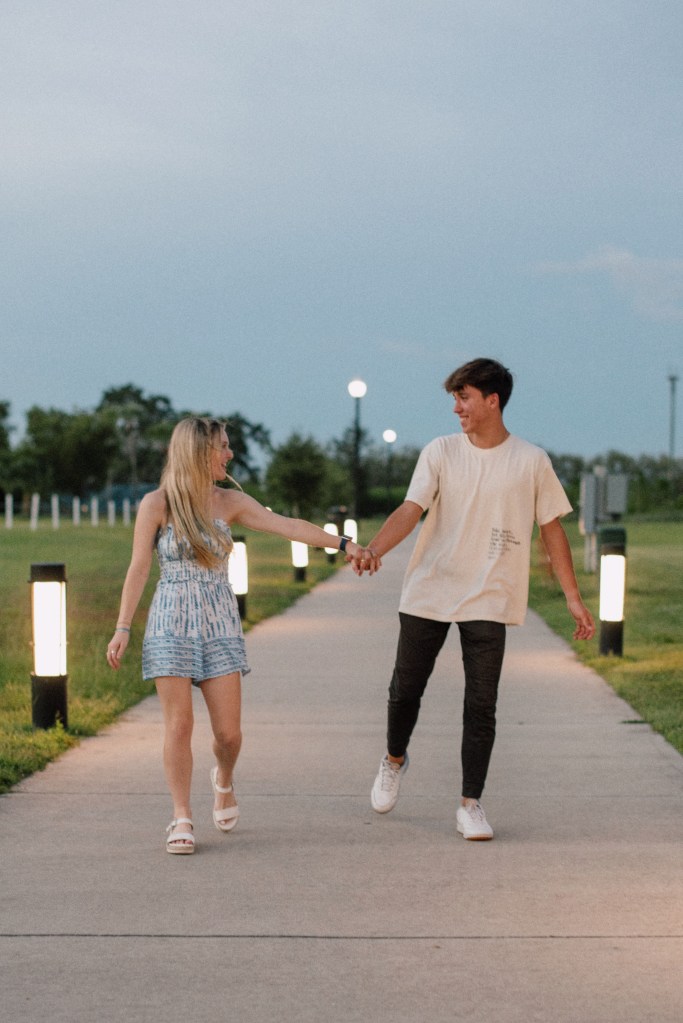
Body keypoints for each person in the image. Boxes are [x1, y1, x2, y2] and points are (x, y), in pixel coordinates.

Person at [354, 358, 595, 840]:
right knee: (405, 690)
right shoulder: (441, 452)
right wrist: (375, 549)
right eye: (455, 398)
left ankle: (470, 804)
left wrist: (573, 596)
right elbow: (411, 509)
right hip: (430, 588)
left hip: (490, 594)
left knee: (482, 704)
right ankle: (394, 759)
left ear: (492, 400)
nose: (456, 408)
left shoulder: (531, 461)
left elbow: (552, 529)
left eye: (463, 397)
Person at [107, 416, 371, 854]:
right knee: (179, 724)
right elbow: (138, 567)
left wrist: (344, 544)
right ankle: (181, 816)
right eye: (223, 446)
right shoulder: (157, 504)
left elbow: (289, 525)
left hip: (218, 621)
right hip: (171, 618)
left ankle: (224, 779)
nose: (230, 454)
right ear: (198, 451)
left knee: (228, 735)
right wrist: (122, 627)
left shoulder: (229, 502)